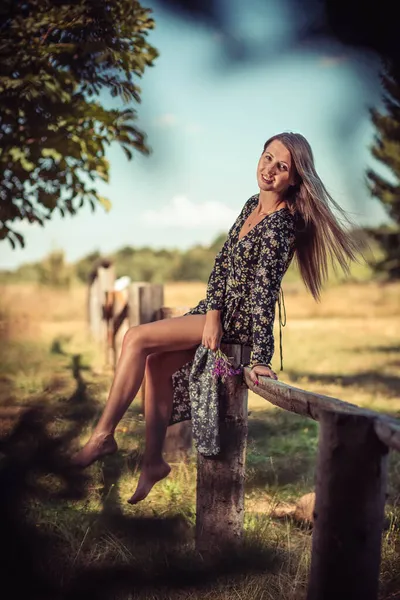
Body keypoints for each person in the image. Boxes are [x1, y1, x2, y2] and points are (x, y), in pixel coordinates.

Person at [72, 132, 363, 504]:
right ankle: (153, 462)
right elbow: (223, 263)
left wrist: (260, 357)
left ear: (294, 178)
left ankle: (102, 437)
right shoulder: (251, 205)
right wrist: (210, 311)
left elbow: (264, 292)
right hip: (217, 312)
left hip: (236, 322)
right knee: (157, 366)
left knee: (135, 338)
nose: (270, 169)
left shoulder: (280, 225)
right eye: (268, 157)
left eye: (282, 166)